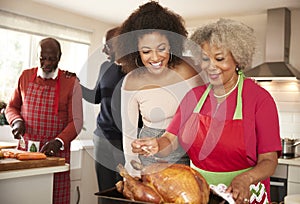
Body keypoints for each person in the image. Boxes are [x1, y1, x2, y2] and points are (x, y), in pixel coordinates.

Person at [131, 19, 282, 203]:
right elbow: (170, 140)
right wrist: (156, 145)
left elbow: (269, 160)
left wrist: (246, 179)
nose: (211, 66)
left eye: (219, 58)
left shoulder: (260, 99)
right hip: (201, 193)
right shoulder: (193, 97)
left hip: (245, 193)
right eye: (204, 58)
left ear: (237, 58)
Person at [114, 1, 204, 176]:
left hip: (185, 153)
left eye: (161, 49)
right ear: (136, 51)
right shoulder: (131, 82)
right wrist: (132, 170)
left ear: (171, 44)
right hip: (148, 157)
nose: (155, 58)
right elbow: (129, 134)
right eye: (146, 51)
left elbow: (204, 114)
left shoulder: (188, 71)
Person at [5, 37, 83, 204]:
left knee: (55, 198)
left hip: (56, 156)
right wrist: (16, 121)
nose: (46, 63)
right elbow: (11, 107)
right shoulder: (25, 76)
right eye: (42, 58)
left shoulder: (71, 82)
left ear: (59, 57)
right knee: (26, 196)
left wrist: (59, 141)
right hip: (26, 153)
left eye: (51, 58)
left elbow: (76, 121)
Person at [80, 27, 130, 192]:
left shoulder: (136, 71)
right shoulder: (104, 67)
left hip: (124, 142)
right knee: (105, 190)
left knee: (125, 191)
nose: (103, 50)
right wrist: (76, 85)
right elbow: (96, 97)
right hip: (101, 138)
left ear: (121, 44)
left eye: (107, 45)